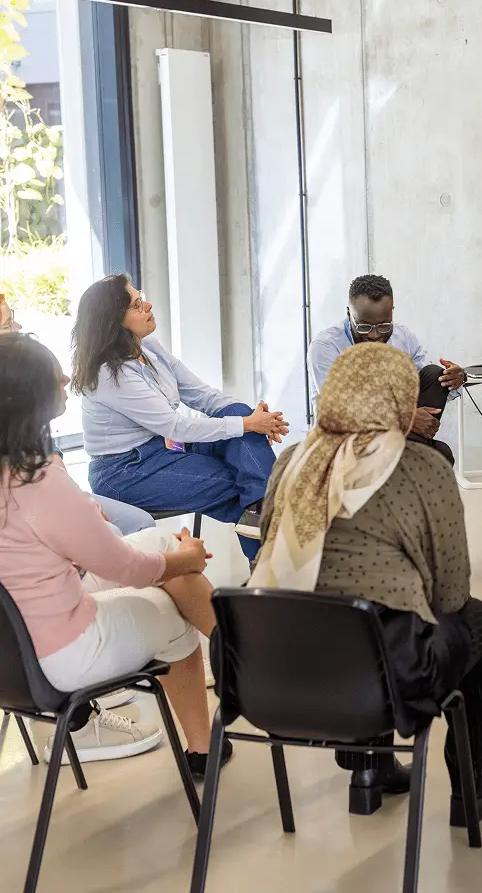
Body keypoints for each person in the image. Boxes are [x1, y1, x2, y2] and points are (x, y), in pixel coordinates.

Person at [250, 342, 482, 822]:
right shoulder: (422, 464)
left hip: (267, 667)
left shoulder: (291, 460)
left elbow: (267, 547)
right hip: (381, 677)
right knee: (477, 622)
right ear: (400, 398)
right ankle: (473, 782)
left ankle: (369, 769)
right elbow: (450, 595)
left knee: (349, 620)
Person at [0, 332, 229, 775]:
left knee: (161, 545)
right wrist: (190, 559)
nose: (67, 376)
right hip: (62, 653)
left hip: (12, 653)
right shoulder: (37, 479)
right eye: (55, 373)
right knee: (172, 602)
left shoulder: (22, 474)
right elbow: (125, 567)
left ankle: (241, 661)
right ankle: (218, 720)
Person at [72, 275, 288, 563]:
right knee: (244, 485)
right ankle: (273, 564)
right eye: (137, 305)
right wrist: (249, 425)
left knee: (238, 422)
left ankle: (265, 534)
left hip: (167, 447)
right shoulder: (110, 374)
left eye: (142, 296)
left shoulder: (146, 346)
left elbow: (199, 394)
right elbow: (176, 425)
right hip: (126, 471)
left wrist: (250, 416)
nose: (147, 305)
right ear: (115, 320)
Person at [1, 290, 155, 536]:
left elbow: (51, 462)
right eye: (9, 324)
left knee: (140, 524)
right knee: (113, 535)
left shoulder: (24, 387)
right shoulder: (15, 394)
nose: (18, 327)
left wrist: (76, 500)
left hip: (52, 492)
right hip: (25, 510)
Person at [308, 274, 466, 463]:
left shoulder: (404, 338)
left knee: (434, 375)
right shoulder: (326, 347)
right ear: (349, 314)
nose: (375, 335)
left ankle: (401, 455)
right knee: (439, 455)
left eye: (383, 326)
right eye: (365, 327)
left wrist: (453, 380)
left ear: (392, 311)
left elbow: (425, 392)